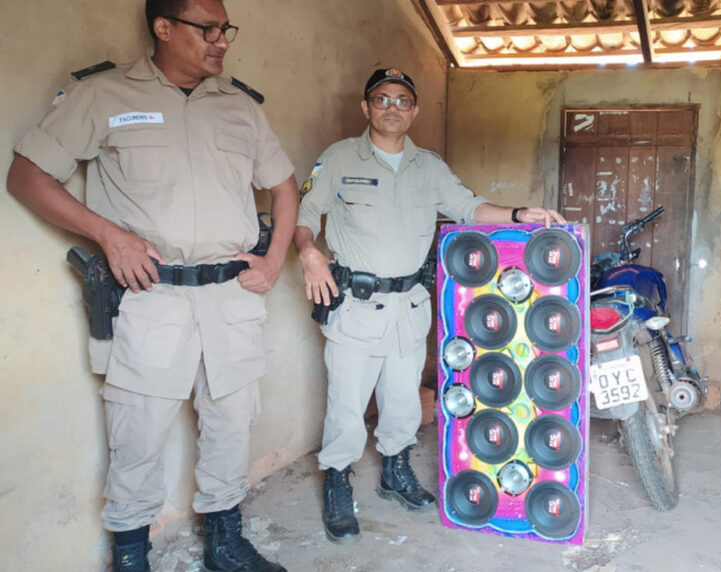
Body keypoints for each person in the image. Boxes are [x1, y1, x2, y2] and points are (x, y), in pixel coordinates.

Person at [6, 1, 297, 570]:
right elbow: (27, 175)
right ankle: (132, 553)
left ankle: (225, 542)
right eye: (206, 29)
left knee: (230, 424)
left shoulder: (239, 106)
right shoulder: (104, 95)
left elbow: (284, 188)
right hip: (150, 296)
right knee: (138, 431)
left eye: (225, 30)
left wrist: (275, 257)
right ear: (163, 28)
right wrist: (107, 235)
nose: (221, 41)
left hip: (230, 296)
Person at [293, 67, 565, 542]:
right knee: (346, 406)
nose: (392, 108)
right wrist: (308, 252)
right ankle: (338, 482)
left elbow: (468, 207)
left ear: (414, 110)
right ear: (366, 107)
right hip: (355, 308)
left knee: (401, 404)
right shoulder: (338, 158)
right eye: (382, 99)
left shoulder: (430, 167)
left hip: (410, 308)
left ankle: (395, 472)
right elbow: (305, 213)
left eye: (402, 100)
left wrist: (521, 214)